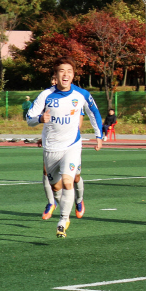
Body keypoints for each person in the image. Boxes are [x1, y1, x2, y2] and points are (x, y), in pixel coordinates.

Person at [27, 56, 102, 238]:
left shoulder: (81, 94)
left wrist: (99, 135)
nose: (65, 74)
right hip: (51, 148)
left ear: (73, 75)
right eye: (62, 71)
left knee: (69, 180)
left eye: (69, 71)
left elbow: (94, 112)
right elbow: (29, 118)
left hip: (72, 145)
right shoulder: (46, 95)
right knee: (56, 187)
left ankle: (63, 219)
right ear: (56, 74)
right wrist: (39, 119)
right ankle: (63, 208)